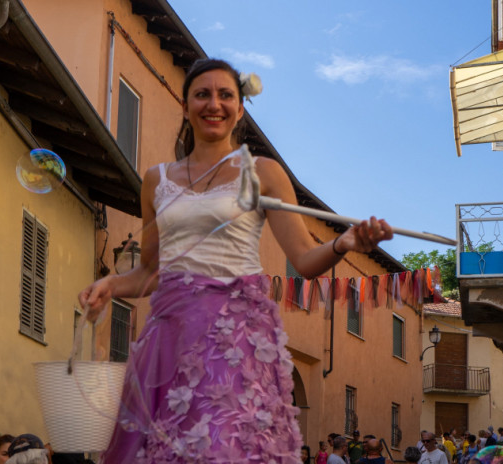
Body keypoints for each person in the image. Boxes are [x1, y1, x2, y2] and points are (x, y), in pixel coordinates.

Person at [79, 58, 393, 463]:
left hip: (234, 340)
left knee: (223, 446)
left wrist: (343, 244)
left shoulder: (262, 171)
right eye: (203, 94)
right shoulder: (156, 179)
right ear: (185, 103)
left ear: (240, 108)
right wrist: (108, 284)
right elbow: (151, 272)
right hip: (168, 338)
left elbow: (304, 259)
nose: (214, 104)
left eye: (225, 95)